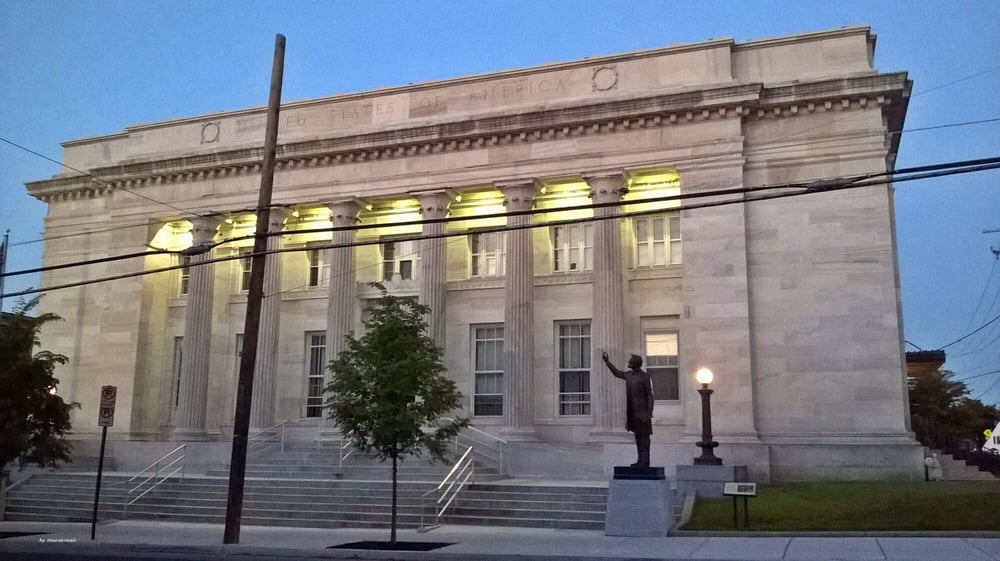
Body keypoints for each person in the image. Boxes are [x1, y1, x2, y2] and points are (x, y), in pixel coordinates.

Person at [601, 351, 654, 467]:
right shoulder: (629, 375)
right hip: (633, 413)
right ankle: (640, 460)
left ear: (635, 364)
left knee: (645, 438)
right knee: (638, 437)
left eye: (630, 362)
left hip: (643, 413)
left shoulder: (645, 377)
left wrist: (649, 412)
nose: (628, 363)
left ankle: (646, 461)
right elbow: (616, 373)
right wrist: (607, 362)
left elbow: (650, 395)